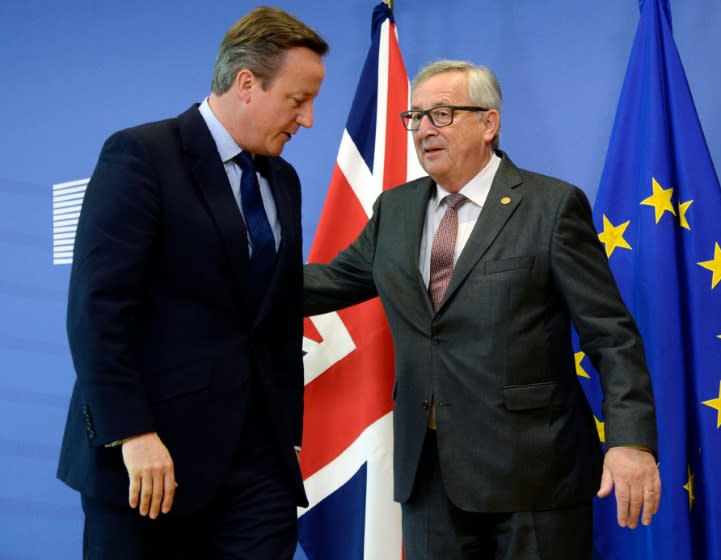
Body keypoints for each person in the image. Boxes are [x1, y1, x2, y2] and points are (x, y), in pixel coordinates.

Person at [303, 60, 661, 559]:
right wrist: (221, 266)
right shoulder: (396, 209)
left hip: (535, 475)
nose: (424, 128)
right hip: (430, 478)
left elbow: (611, 335)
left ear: (488, 123)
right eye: (416, 117)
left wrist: (631, 442)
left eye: (442, 114)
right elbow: (327, 284)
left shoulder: (551, 206)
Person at [57, 7, 328, 559]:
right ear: (246, 84)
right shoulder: (141, 155)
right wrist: (130, 433)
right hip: (152, 464)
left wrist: (286, 439)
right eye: (297, 101)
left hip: (258, 466)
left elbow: (271, 310)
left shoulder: (284, 178)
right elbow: (99, 307)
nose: (308, 120)